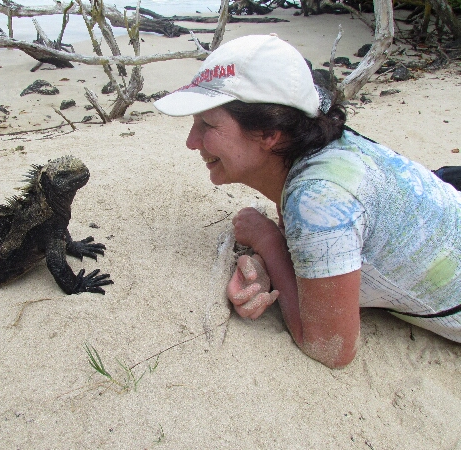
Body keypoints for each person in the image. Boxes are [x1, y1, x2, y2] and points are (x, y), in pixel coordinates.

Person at [153, 34, 461, 368]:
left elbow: (331, 349)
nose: (191, 141)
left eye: (207, 124)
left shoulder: (317, 199)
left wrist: (268, 242)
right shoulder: (325, 149)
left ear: (270, 134)